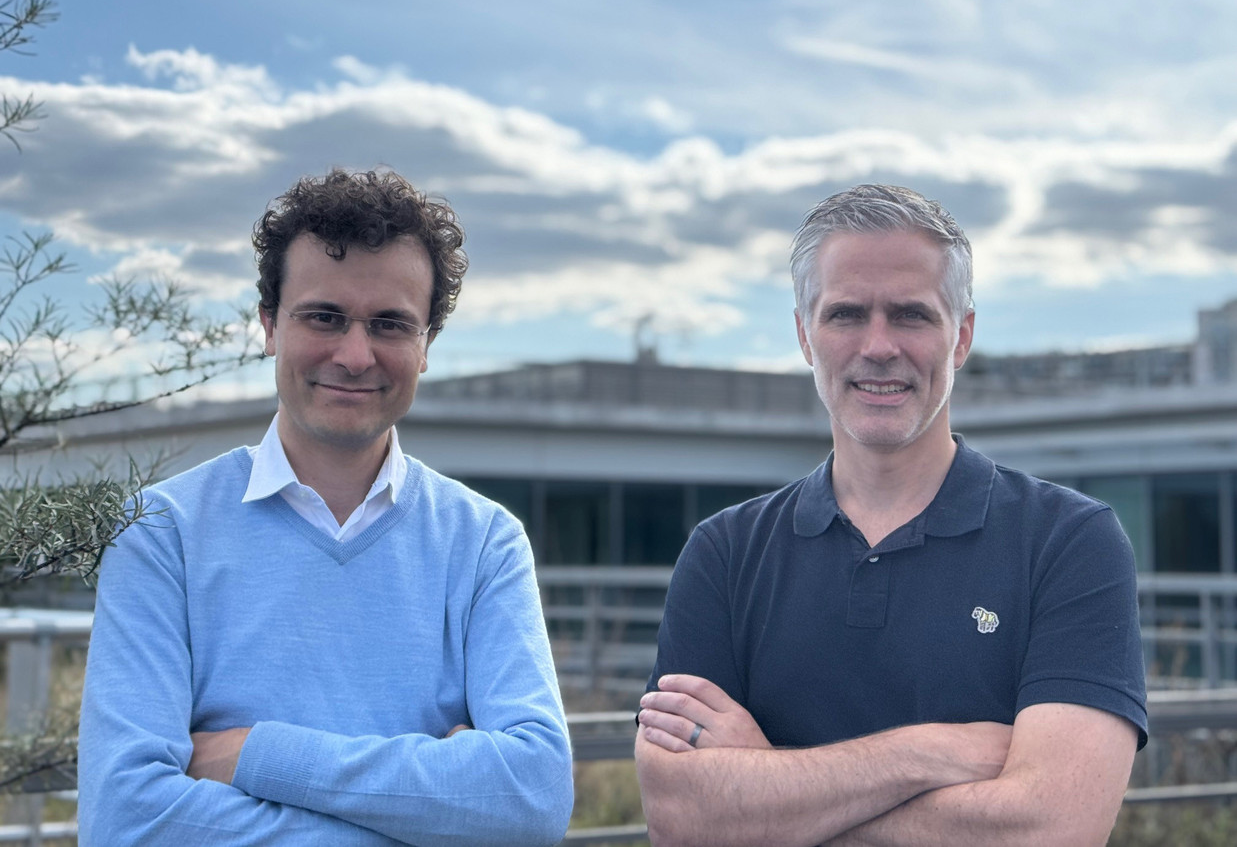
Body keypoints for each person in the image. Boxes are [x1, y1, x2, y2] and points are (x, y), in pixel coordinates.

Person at [635, 184, 1146, 846]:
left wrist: (766, 788)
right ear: (803, 334)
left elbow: (1051, 828)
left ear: (960, 335)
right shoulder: (725, 552)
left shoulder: (1067, 541)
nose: (877, 346)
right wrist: (930, 754)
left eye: (910, 315)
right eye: (846, 314)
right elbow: (678, 818)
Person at [78, 169, 574, 846]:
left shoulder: (483, 541)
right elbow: (127, 821)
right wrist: (439, 805)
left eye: (390, 324)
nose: (354, 354)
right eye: (324, 317)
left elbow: (533, 796)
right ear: (268, 325)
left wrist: (253, 754)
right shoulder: (160, 532)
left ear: (426, 344)